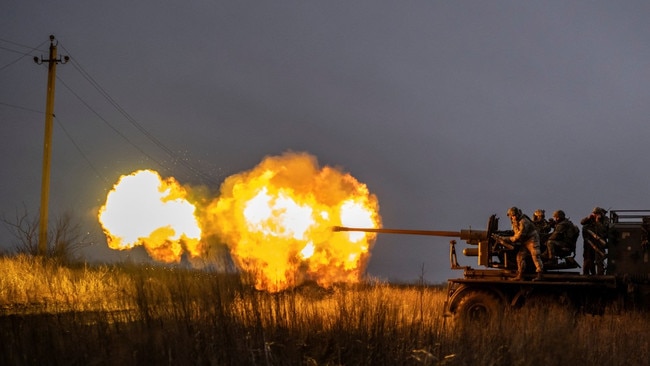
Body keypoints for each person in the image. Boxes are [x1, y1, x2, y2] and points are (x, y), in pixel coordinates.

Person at [498, 206, 544, 281]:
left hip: (532, 239)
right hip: (525, 241)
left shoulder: (524, 221)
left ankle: (540, 275)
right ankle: (520, 275)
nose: (513, 217)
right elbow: (515, 232)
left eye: (514, 215)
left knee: (535, 255)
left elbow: (520, 236)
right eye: (512, 216)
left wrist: (506, 239)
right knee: (520, 257)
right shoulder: (515, 221)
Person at [580, 207, 610, 275]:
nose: (595, 214)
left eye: (597, 213)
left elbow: (603, 230)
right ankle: (587, 274)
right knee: (588, 259)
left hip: (599, 242)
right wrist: (588, 218)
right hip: (589, 242)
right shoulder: (591, 218)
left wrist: (598, 221)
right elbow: (582, 222)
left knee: (599, 260)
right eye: (594, 213)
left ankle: (600, 274)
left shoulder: (605, 220)